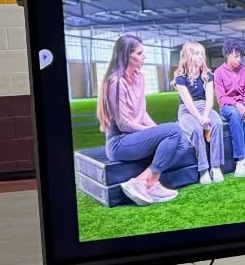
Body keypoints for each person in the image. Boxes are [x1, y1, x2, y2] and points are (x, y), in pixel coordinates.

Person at [96, 34, 182, 207]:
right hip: (119, 142)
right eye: (140, 53)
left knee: (181, 141)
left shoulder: (140, 78)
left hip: (135, 137)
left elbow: (142, 113)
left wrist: (159, 132)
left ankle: (147, 182)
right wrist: (156, 133)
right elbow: (124, 124)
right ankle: (145, 183)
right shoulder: (115, 82)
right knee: (174, 130)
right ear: (127, 55)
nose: (144, 57)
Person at [172, 41, 224, 185]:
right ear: (188, 56)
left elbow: (209, 99)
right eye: (196, 54)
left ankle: (216, 166)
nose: (201, 56)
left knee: (218, 123)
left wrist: (206, 116)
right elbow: (187, 102)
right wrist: (199, 118)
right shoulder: (180, 78)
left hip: (204, 108)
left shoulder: (207, 75)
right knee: (195, 129)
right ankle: (204, 170)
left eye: (202, 53)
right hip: (187, 111)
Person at [213, 38, 245, 177]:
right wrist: (236, 104)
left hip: (243, 104)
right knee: (235, 114)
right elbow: (221, 98)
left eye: (240, 56)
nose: (239, 59)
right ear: (227, 55)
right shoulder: (218, 73)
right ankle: (241, 159)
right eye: (236, 56)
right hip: (227, 107)